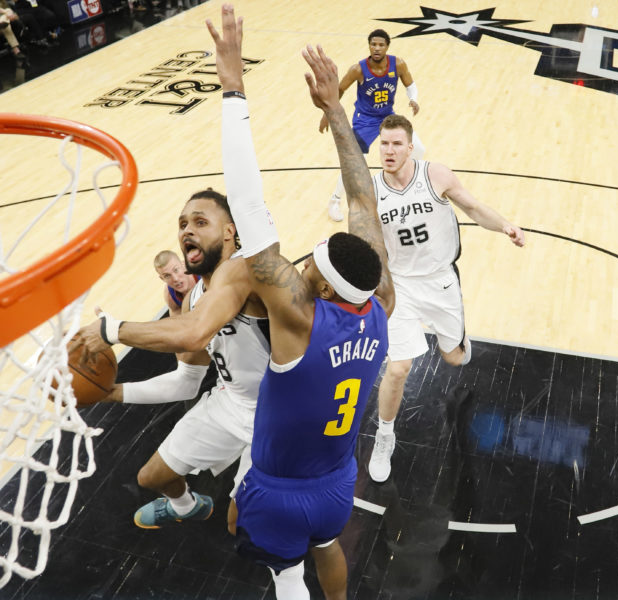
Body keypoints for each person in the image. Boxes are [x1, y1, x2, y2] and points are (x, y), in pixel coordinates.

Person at [206, 5, 394, 599]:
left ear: (318, 283)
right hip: (339, 483)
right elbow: (364, 203)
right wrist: (337, 110)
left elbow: (248, 201)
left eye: (310, 264)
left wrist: (233, 88)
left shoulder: (297, 317)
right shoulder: (381, 300)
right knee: (328, 548)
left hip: (278, 488)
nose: (302, 264)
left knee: (284, 569)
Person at [76, 187, 270, 534]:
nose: (186, 231)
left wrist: (114, 329)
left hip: (279, 414)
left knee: (238, 525)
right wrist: (112, 392)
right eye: (182, 224)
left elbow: (193, 333)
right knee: (152, 476)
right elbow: (186, 381)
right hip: (233, 401)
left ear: (230, 232)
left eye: (199, 221)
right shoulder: (195, 297)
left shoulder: (246, 274)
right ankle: (188, 506)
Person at [366, 112, 525, 483]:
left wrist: (505, 225)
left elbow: (472, 207)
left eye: (395, 144)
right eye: (383, 143)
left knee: (454, 358)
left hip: (440, 283)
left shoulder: (434, 175)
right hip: (400, 287)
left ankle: (459, 340)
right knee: (399, 367)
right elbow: (367, 243)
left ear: (410, 146)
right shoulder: (371, 189)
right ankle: (384, 437)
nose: (388, 150)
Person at [322, 29, 425, 223]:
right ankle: (335, 200)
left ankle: (404, 187)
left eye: (381, 45)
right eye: (373, 44)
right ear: (369, 45)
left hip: (387, 115)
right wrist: (328, 113)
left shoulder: (398, 64)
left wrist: (413, 99)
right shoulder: (358, 69)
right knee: (354, 161)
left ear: (387, 46)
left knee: (418, 149)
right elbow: (340, 89)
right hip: (365, 118)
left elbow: (410, 85)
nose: (377, 48)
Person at [154, 249, 198, 316]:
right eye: (167, 276)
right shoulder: (170, 297)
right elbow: (180, 323)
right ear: (162, 279)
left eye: (176, 270)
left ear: (183, 264)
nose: (175, 279)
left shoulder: (201, 273)